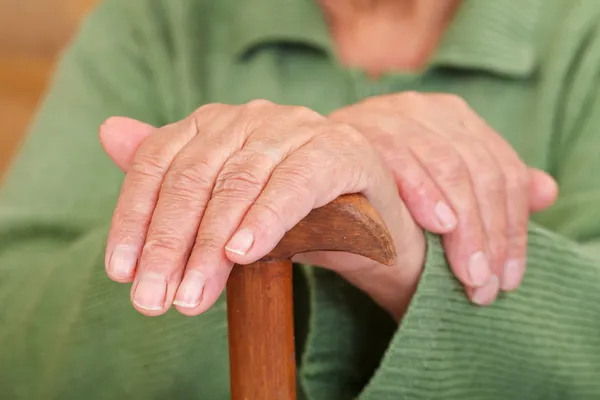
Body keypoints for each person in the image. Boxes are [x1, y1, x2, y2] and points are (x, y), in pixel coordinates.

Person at [1, 0, 600, 398]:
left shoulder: (583, 30)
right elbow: (15, 323)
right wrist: (294, 184)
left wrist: (398, 252)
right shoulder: (161, 18)